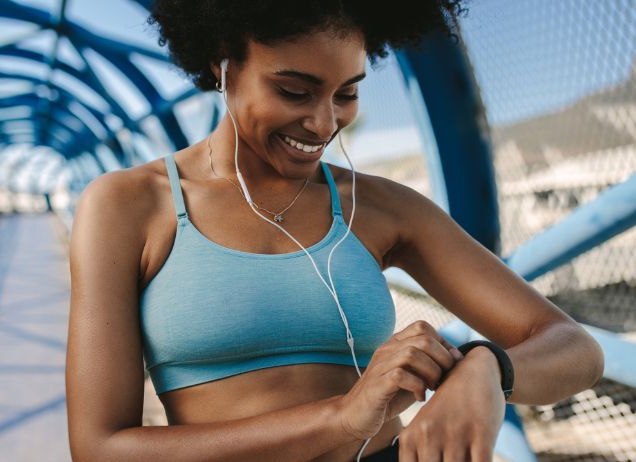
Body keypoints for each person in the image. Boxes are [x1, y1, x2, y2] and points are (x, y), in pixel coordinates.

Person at [65, 1, 605, 461]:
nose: (324, 124)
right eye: (295, 91)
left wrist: (488, 367)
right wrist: (342, 417)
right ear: (222, 64)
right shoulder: (129, 206)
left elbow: (575, 348)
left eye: (346, 94)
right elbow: (100, 447)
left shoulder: (378, 206)